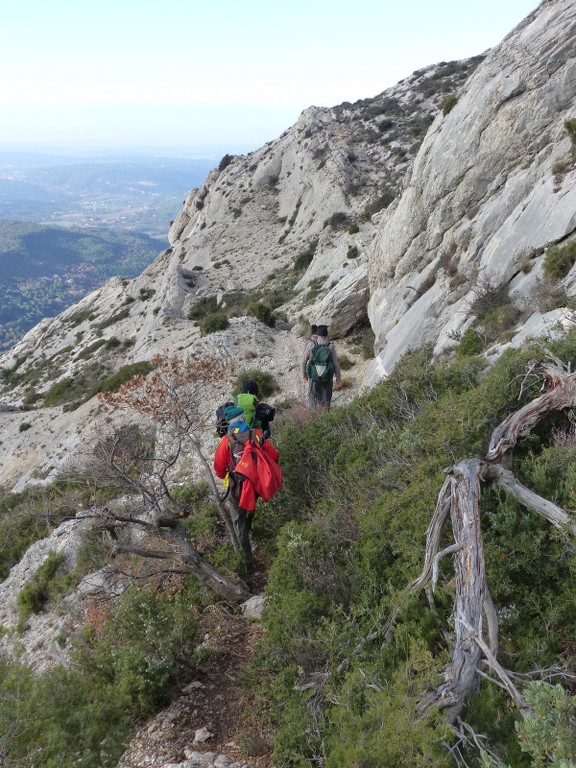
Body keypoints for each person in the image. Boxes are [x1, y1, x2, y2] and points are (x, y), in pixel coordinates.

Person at [213, 404, 279, 572]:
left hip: (236, 489)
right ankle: (248, 530)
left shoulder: (226, 442)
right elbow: (273, 456)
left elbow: (219, 470)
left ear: (228, 423)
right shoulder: (256, 434)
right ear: (243, 418)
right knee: (249, 511)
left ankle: (247, 564)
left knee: (238, 523)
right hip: (255, 485)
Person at [303, 324, 342, 409]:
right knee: (326, 400)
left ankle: (312, 418)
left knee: (312, 399)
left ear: (317, 334)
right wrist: (338, 379)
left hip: (313, 377)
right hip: (327, 377)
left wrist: (304, 374)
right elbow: (336, 364)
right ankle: (325, 418)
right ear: (327, 334)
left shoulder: (311, 345)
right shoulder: (330, 346)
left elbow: (303, 361)